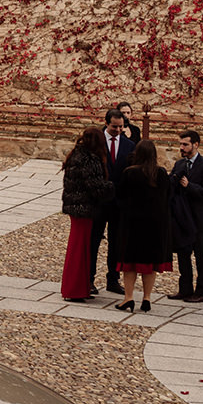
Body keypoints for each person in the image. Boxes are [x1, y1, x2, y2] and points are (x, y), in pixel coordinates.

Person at [112, 139, 173, 312]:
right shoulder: (161, 174)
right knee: (150, 263)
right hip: (155, 226)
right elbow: (168, 197)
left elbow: (120, 197)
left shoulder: (130, 173)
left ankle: (129, 297)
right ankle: (146, 298)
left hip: (132, 224)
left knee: (130, 262)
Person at [58, 126, 115, 302]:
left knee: (78, 248)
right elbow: (96, 186)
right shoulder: (90, 160)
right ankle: (75, 289)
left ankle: (76, 287)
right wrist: (113, 187)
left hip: (76, 208)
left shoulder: (76, 154)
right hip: (84, 209)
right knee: (80, 249)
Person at [167, 132, 203, 303]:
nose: (182, 148)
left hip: (200, 220)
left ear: (196, 145)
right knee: (183, 254)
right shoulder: (179, 164)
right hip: (182, 218)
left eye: (185, 145)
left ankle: (202, 291)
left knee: (201, 256)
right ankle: (185, 289)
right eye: (180, 144)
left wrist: (190, 187)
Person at [91, 108, 135, 295]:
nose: (118, 130)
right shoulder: (95, 142)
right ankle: (89, 278)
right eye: (114, 127)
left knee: (117, 243)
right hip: (99, 202)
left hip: (119, 203)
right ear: (107, 123)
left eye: (121, 127)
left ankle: (113, 278)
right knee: (93, 242)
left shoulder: (129, 145)